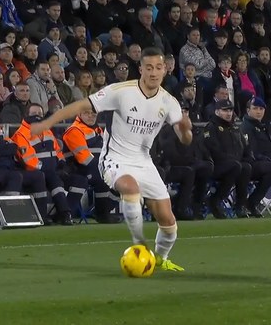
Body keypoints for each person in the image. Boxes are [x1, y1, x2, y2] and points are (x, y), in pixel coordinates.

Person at [31, 47, 193, 272]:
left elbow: (185, 139)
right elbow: (80, 105)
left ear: (165, 70)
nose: (153, 73)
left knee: (169, 223)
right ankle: (139, 245)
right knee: (130, 187)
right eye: (149, 68)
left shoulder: (169, 102)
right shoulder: (121, 91)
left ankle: (159, 259)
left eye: (158, 68)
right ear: (141, 69)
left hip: (144, 162)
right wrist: (47, 123)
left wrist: (186, 130)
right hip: (115, 158)